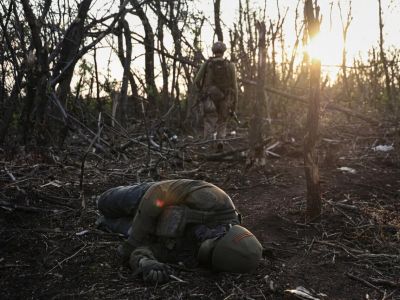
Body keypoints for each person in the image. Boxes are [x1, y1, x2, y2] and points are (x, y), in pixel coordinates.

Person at [96, 179, 263, 284]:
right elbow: (160, 192)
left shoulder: (192, 256)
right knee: (103, 202)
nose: (201, 242)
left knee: (104, 222)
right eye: (212, 240)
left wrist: (145, 264)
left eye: (207, 255)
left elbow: (146, 251)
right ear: (224, 231)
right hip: (150, 198)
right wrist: (132, 243)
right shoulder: (216, 201)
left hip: (151, 230)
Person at [193, 41, 239, 151]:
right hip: (225, 98)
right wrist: (234, 105)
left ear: (213, 51)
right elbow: (235, 87)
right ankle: (220, 142)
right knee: (223, 121)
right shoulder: (230, 65)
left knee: (209, 120)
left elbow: (196, 80)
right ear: (224, 51)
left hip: (209, 97)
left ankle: (208, 145)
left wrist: (201, 90)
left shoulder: (207, 64)